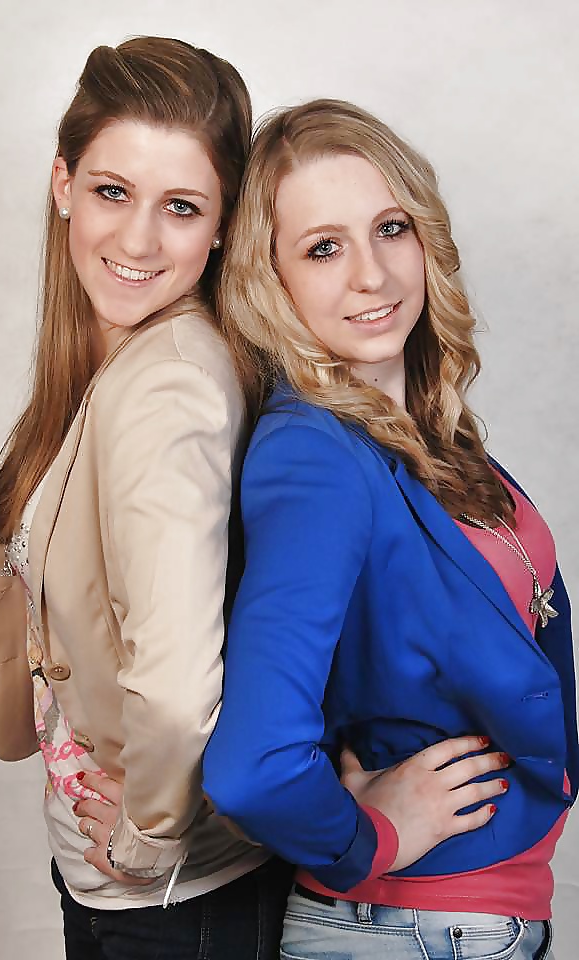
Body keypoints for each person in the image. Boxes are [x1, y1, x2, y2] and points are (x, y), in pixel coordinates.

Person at [203, 99, 577, 960]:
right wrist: (369, 838)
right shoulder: (314, 453)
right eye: (322, 248)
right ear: (271, 278)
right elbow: (252, 764)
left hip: (463, 922)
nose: (369, 275)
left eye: (389, 228)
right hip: (407, 928)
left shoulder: (425, 435)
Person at [0, 36, 292, 960]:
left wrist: (147, 835)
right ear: (63, 184)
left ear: (223, 225)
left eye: (181, 207)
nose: (139, 240)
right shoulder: (115, 358)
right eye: (112, 191)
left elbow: (178, 680)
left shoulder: (169, 384)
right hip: (120, 887)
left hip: (175, 901)